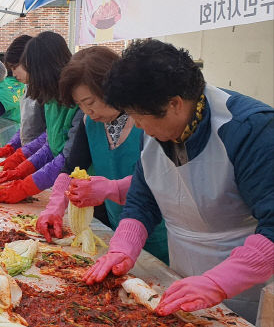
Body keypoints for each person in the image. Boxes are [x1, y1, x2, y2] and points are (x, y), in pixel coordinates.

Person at [80, 39, 274, 323]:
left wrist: (218, 282)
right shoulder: (157, 126)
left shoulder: (250, 130)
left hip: (245, 280)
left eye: (138, 118)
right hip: (182, 273)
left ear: (175, 104)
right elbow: (143, 199)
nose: (139, 126)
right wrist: (123, 249)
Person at [34, 46, 169, 264]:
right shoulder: (91, 123)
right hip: (119, 232)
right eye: (80, 105)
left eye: (90, 103)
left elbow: (162, 179)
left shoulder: (149, 122)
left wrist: (110, 188)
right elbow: (71, 167)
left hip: (163, 235)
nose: (88, 112)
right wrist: (54, 209)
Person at [0, 31, 83, 204]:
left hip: (78, 183)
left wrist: (25, 185)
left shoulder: (80, 101)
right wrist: (20, 167)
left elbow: (69, 155)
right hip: (55, 175)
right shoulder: (50, 97)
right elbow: (51, 141)